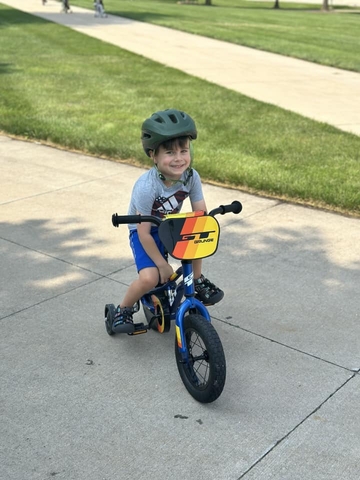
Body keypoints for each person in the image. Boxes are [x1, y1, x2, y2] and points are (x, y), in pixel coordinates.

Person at [112, 109, 224, 332]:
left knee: (197, 240)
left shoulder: (191, 177)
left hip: (171, 224)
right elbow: (144, 233)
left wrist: (200, 235)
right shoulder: (147, 187)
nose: (179, 158)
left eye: (184, 150)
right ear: (153, 155)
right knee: (150, 279)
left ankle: (198, 280)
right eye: (170, 153)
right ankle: (122, 310)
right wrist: (163, 265)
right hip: (145, 229)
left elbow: (200, 215)